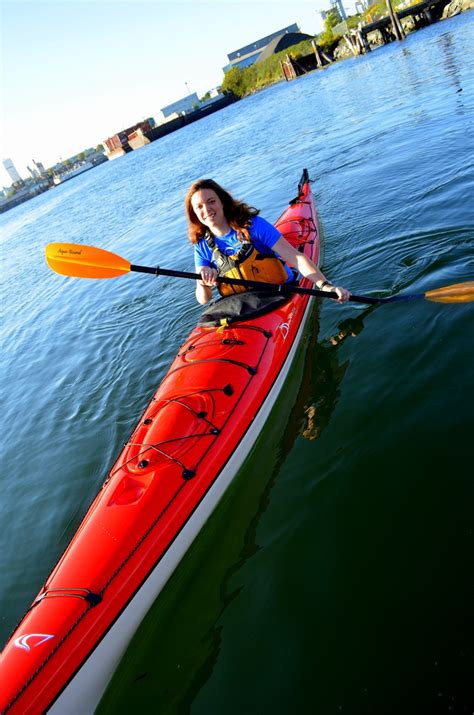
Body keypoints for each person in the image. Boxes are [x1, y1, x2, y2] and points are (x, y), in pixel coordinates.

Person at [184, 178, 351, 306]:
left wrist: (326, 286)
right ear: (194, 213)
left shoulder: (253, 225)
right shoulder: (201, 245)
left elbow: (295, 257)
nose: (206, 210)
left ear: (222, 202)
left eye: (211, 201)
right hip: (242, 305)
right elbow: (203, 299)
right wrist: (202, 282)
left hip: (280, 294)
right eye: (199, 206)